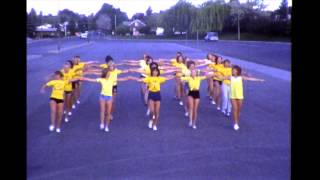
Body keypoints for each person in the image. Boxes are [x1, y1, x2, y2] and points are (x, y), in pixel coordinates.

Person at [222, 65, 264, 130]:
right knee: (235, 109)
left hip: (240, 96)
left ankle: (237, 118)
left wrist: (259, 80)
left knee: (239, 109)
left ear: (237, 71)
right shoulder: (230, 77)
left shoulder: (241, 77)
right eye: (233, 70)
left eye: (234, 70)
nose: (233, 71)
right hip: (232, 96)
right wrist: (214, 74)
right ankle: (236, 123)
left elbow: (250, 79)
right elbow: (221, 78)